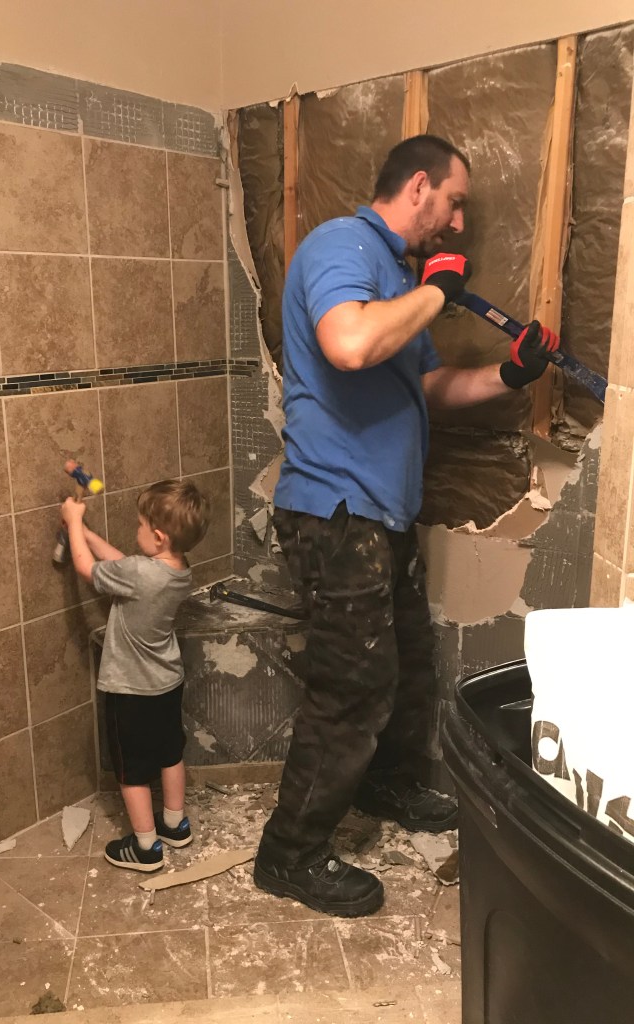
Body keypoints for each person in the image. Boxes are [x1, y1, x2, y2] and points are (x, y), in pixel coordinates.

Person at [253, 134, 559, 917]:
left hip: (381, 513)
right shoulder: (342, 246)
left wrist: (511, 374)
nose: (457, 223)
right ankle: (289, 853)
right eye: (453, 203)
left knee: (407, 666)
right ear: (418, 186)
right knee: (351, 687)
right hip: (334, 511)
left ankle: (384, 784)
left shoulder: (394, 278)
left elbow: (429, 386)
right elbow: (349, 343)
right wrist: (438, 290)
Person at [62, 479, 210, 872]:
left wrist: (73, 522)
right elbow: (124, 564)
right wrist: (88, 533)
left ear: (158, 537)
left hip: (130, 689)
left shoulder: (141, 574)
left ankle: (145, 847)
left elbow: (87, 569)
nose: (136, 530)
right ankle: (174, 825)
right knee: (169, 754)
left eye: (140, 525)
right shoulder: (178, 570)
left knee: (132, 770)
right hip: (167, 682)